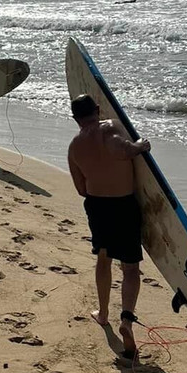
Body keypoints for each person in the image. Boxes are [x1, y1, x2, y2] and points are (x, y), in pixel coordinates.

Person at [67, 94, 151, 358]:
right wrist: (139, 146)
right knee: (130, 268)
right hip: (123, 205)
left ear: (75, 119)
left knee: (103, 259)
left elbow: (81, 188)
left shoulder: (74, 146)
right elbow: (121, 149)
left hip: (96, 206)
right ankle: (126, 320)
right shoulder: (109, 126)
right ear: (97, 110)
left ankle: (103, 314)